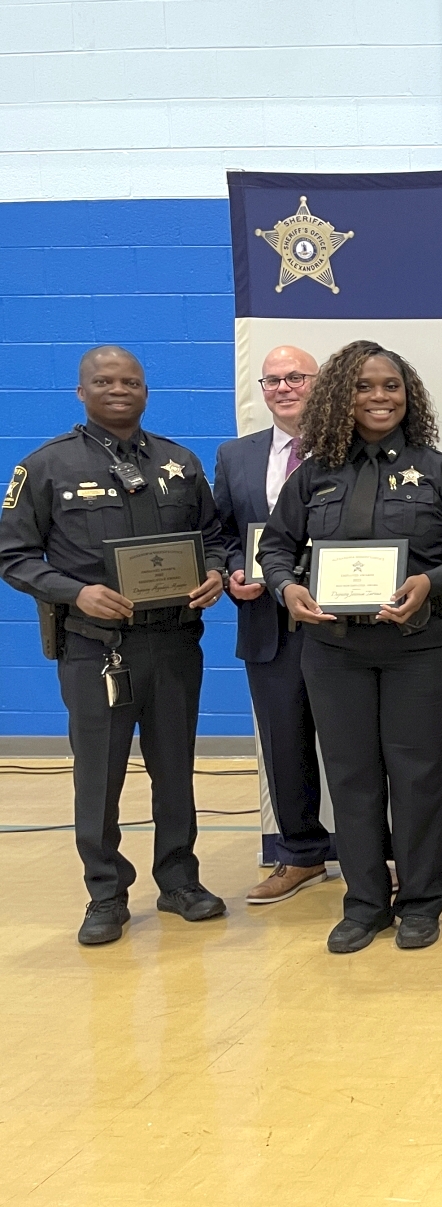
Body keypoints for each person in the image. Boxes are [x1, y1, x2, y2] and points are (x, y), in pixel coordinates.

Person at [258, 340, 442, 954]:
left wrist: (430, 581)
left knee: (418, 776)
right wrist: (286, 588)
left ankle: (420, 901)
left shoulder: (439, 470)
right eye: (365, 386)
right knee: (352, 776)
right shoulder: (313, 472)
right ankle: (364, 902)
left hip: (422, 646)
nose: (380, 397)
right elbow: (276, 547)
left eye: (392, 386)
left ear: (408, 395)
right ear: (342, 394)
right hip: (333, 649)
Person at [0, 345, 228, 944]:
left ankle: (180, 880)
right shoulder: (45, 467)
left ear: (146, 391)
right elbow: (14, 555)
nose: (119, 389)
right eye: (104, 380)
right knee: (98, 775)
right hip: (96, 647)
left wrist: (217, 574)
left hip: (174, 643)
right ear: (82, 391)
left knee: (175, 768)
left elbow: (214, 535)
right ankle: (105, 893)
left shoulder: (179, 462)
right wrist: (76, 593)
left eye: (131, 381)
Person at [214, 345, 334, 904]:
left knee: (358, 746)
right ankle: (301, 855)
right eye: (272, 380)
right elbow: (220, 533)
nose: (283, 388)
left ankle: (375, 854)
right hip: (267, 623)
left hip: (339, 619)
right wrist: (235, 568)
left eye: (296, 377)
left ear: (319, 383)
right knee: (284, 745)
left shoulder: (347, 447)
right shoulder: (235, 455)